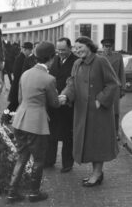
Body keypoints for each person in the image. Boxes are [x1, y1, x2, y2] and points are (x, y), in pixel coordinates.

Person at [59, 36, 119, 187]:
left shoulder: (101, 61)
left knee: (97, 143)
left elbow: (113, 83)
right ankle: (96, 173)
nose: (78, 50)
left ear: (89, 45)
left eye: (81, 47)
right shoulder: (77, 63)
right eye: (76, 48)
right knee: (88, 143)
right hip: (82, 111)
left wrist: (101, 99)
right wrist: (65, 95)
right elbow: (71, 83)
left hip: (98, 112)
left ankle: (97, 174)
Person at [7, 42, 60, 203]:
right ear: (51, 58)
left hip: (20, 120)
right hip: (36, 123)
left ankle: (12, 192)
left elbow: (20, 99)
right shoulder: (49, 79)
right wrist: (60, 98)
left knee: (22, 157)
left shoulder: (25, 74)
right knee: (38, 160)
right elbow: (54, 103)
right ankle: (34, 193)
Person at [45, 37, 78, 172]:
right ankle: (49, 160)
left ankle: (67, 164)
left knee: (67, 136)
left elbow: (75, 82)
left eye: (63, 50)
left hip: (68, 105)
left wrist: (65, 96)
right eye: (58, 50)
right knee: (51, 134)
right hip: (53, 103)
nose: (60, 52)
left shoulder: (76, 61)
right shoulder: (55, 59)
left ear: (70, 48)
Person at [100, 38, 126, 137]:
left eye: (110, 46)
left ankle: (115, 132)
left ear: (112, 46)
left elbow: (122, 72)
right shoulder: (99, 57)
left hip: (115, 87)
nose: (108, 48)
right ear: (102, 47)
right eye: (106, 46)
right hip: (103, 87)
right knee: (103, 110)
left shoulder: (118, 56)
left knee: (115, 111)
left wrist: (123, 88)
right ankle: (104, 131)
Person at [7, 42, 33, 112]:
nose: (30, 52)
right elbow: (17, 72)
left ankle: (6, 118)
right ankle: (5, 118)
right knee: (13, 104)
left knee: (14, 104)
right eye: (30, 50)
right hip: (17, 84)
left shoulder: (23, 57)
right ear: (25, 50)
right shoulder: (21, 58)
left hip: (18, 84)